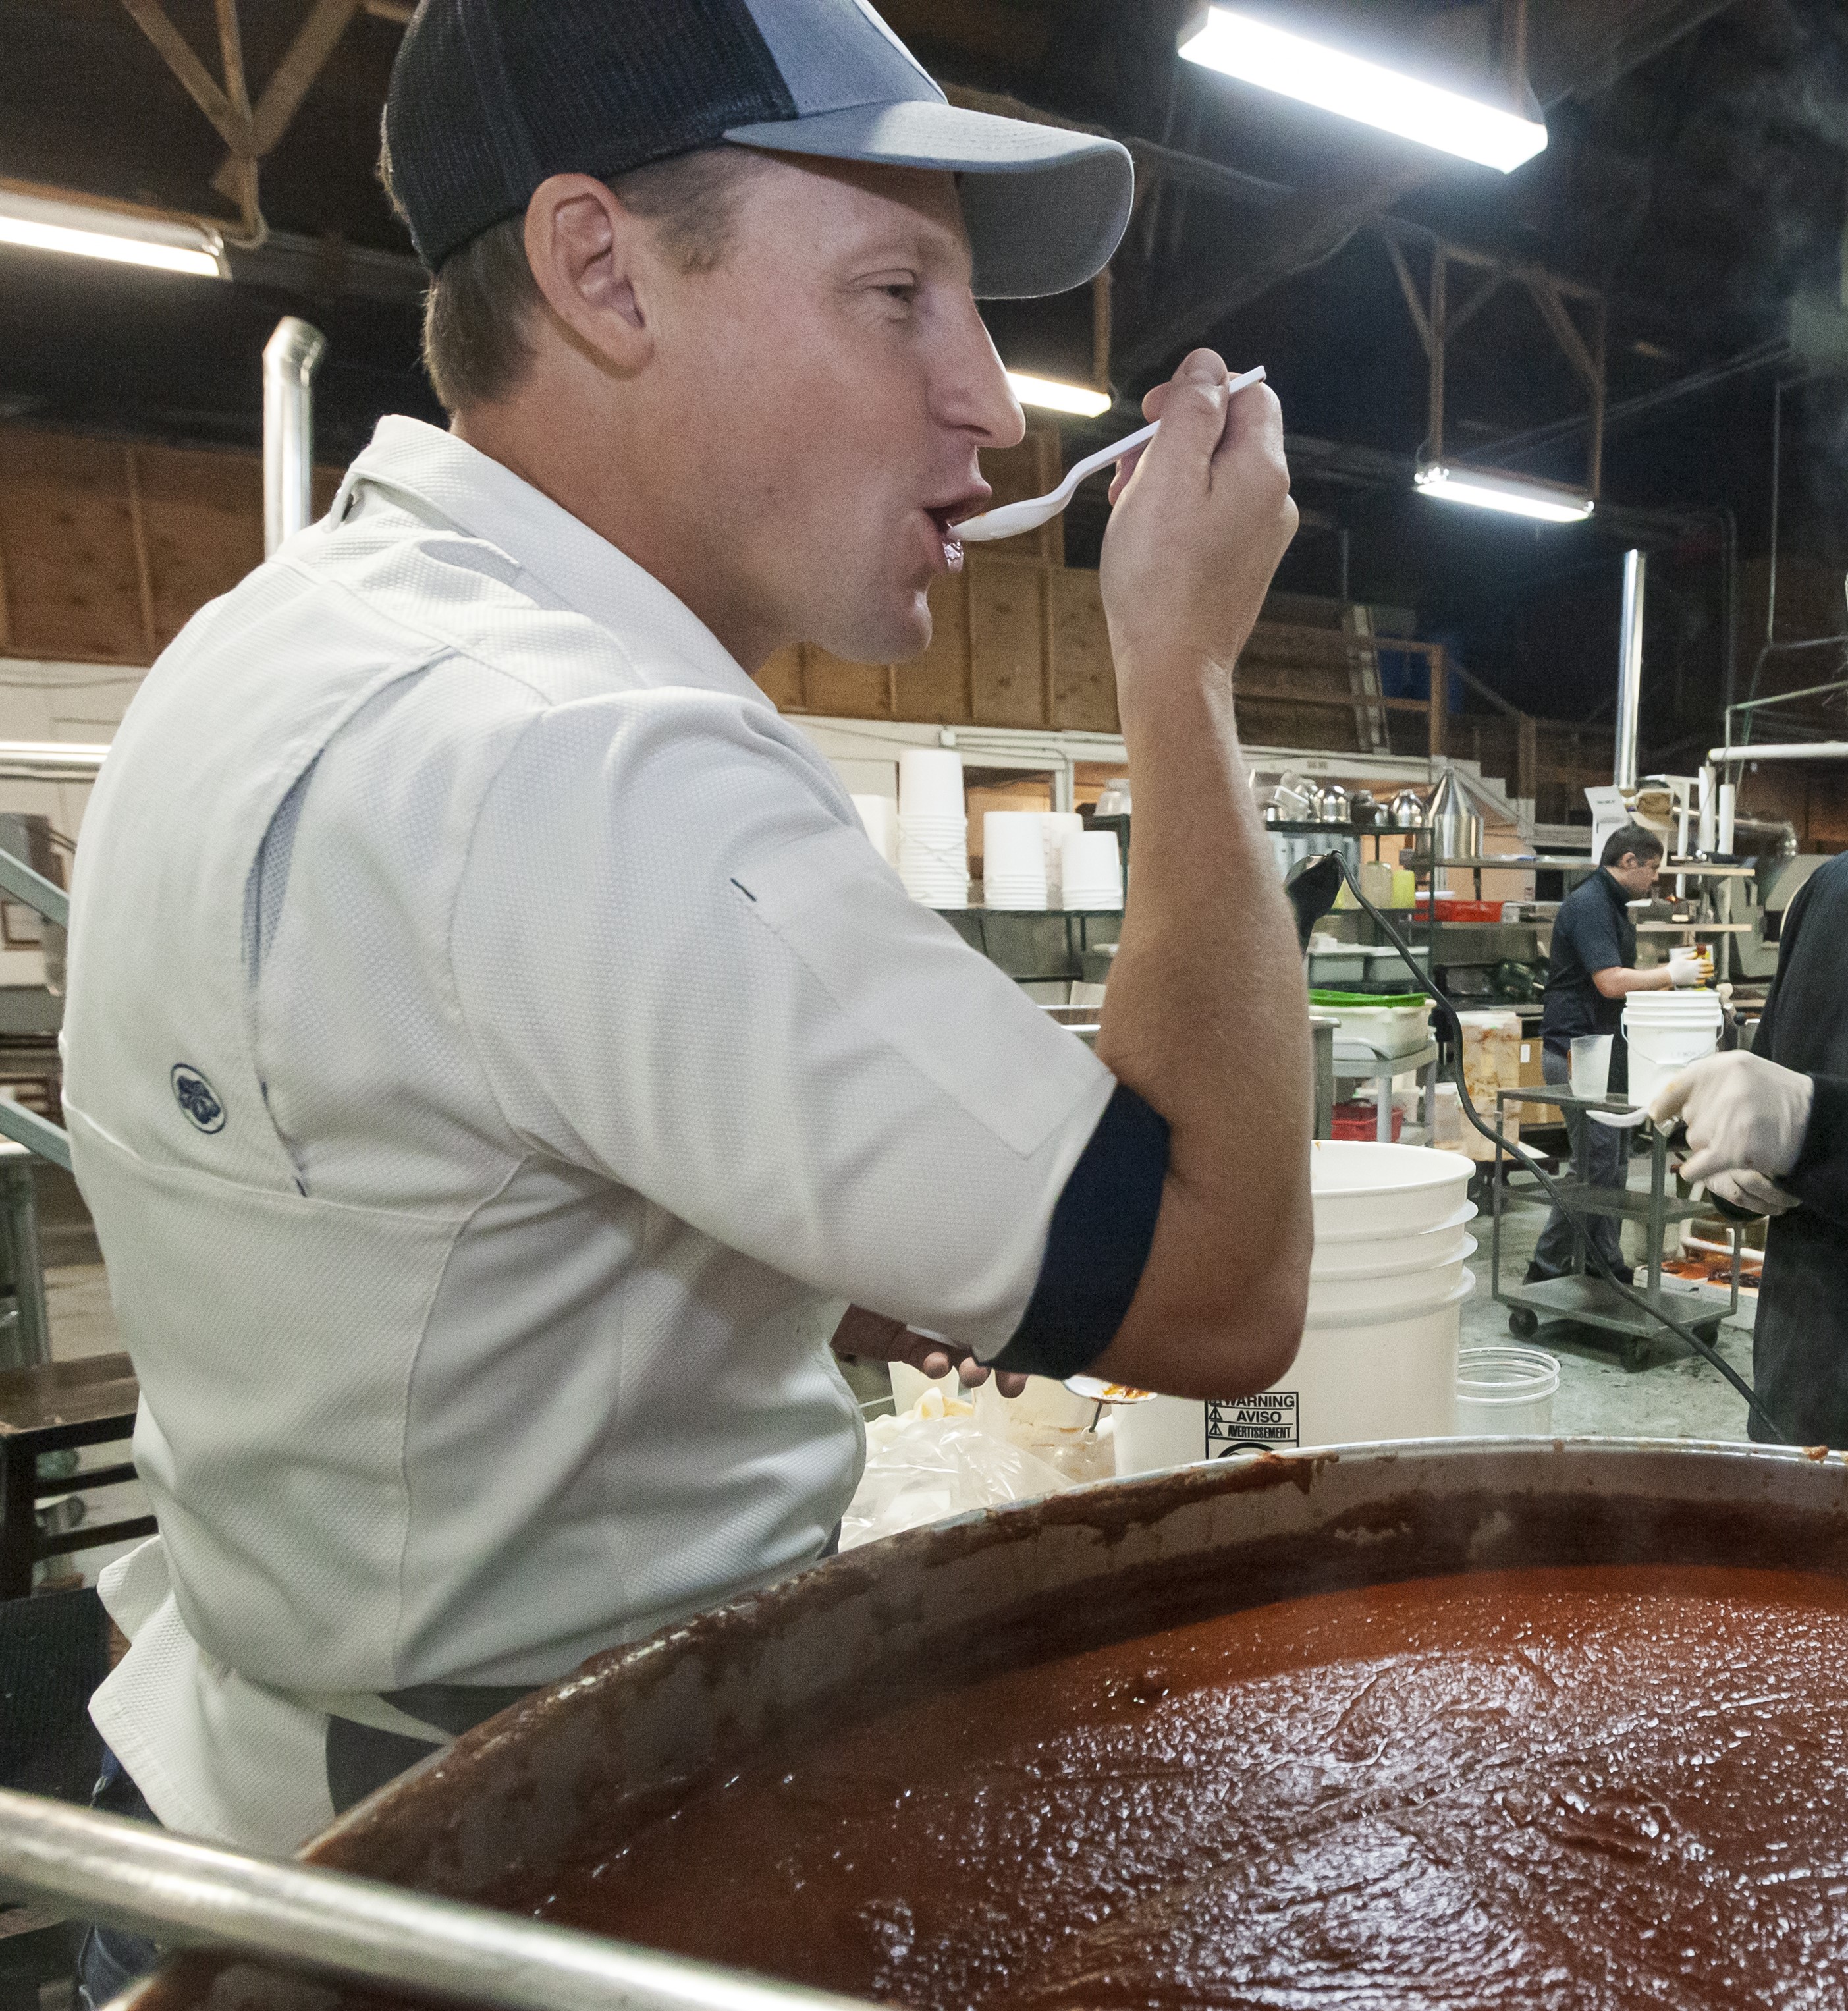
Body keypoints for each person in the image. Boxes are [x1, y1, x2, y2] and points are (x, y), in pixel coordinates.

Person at [59, 0, 1311, 1905]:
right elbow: (1217, 1283)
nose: (991, 402)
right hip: (550, 1857)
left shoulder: (287, 637)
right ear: (599, 274)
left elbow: (452, 1211)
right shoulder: (586, 753)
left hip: (267, 1794)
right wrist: (1182, 670)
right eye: (899, 293)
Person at [1649, 852, 1848, 1446]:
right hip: (1803, 1378)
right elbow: (1781, 1071)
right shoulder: (1830, 888)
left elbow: (1806, 1119)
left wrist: (1815, 1126)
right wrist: (1734, 1162)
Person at [1530, 824, 1710, 1283]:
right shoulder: (1591, 904)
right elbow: (1610, 981)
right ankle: (1548, 1265)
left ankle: (1600, 1261)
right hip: (1578, 1050)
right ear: (1628, 861)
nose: (1655, 880)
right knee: (1596, 1168)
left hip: (1602, 1051)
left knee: (1609, 1167)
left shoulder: (1610, 905)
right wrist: (1672, 973)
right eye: (1652, 868)